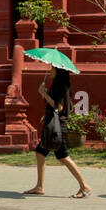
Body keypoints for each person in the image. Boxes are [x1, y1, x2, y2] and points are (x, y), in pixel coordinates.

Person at [25, 67, 91, 198]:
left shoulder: (60, 87)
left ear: (58, 72)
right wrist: (48, 115)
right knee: (40, 152)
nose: (50, 71)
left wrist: (44, 94)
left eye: (52, 69)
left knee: (63, 156)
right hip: (56, 124)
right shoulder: (63, 85)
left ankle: (84, 186)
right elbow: (68, 107)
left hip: (58, 128)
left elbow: (59, 107)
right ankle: (39, 186)